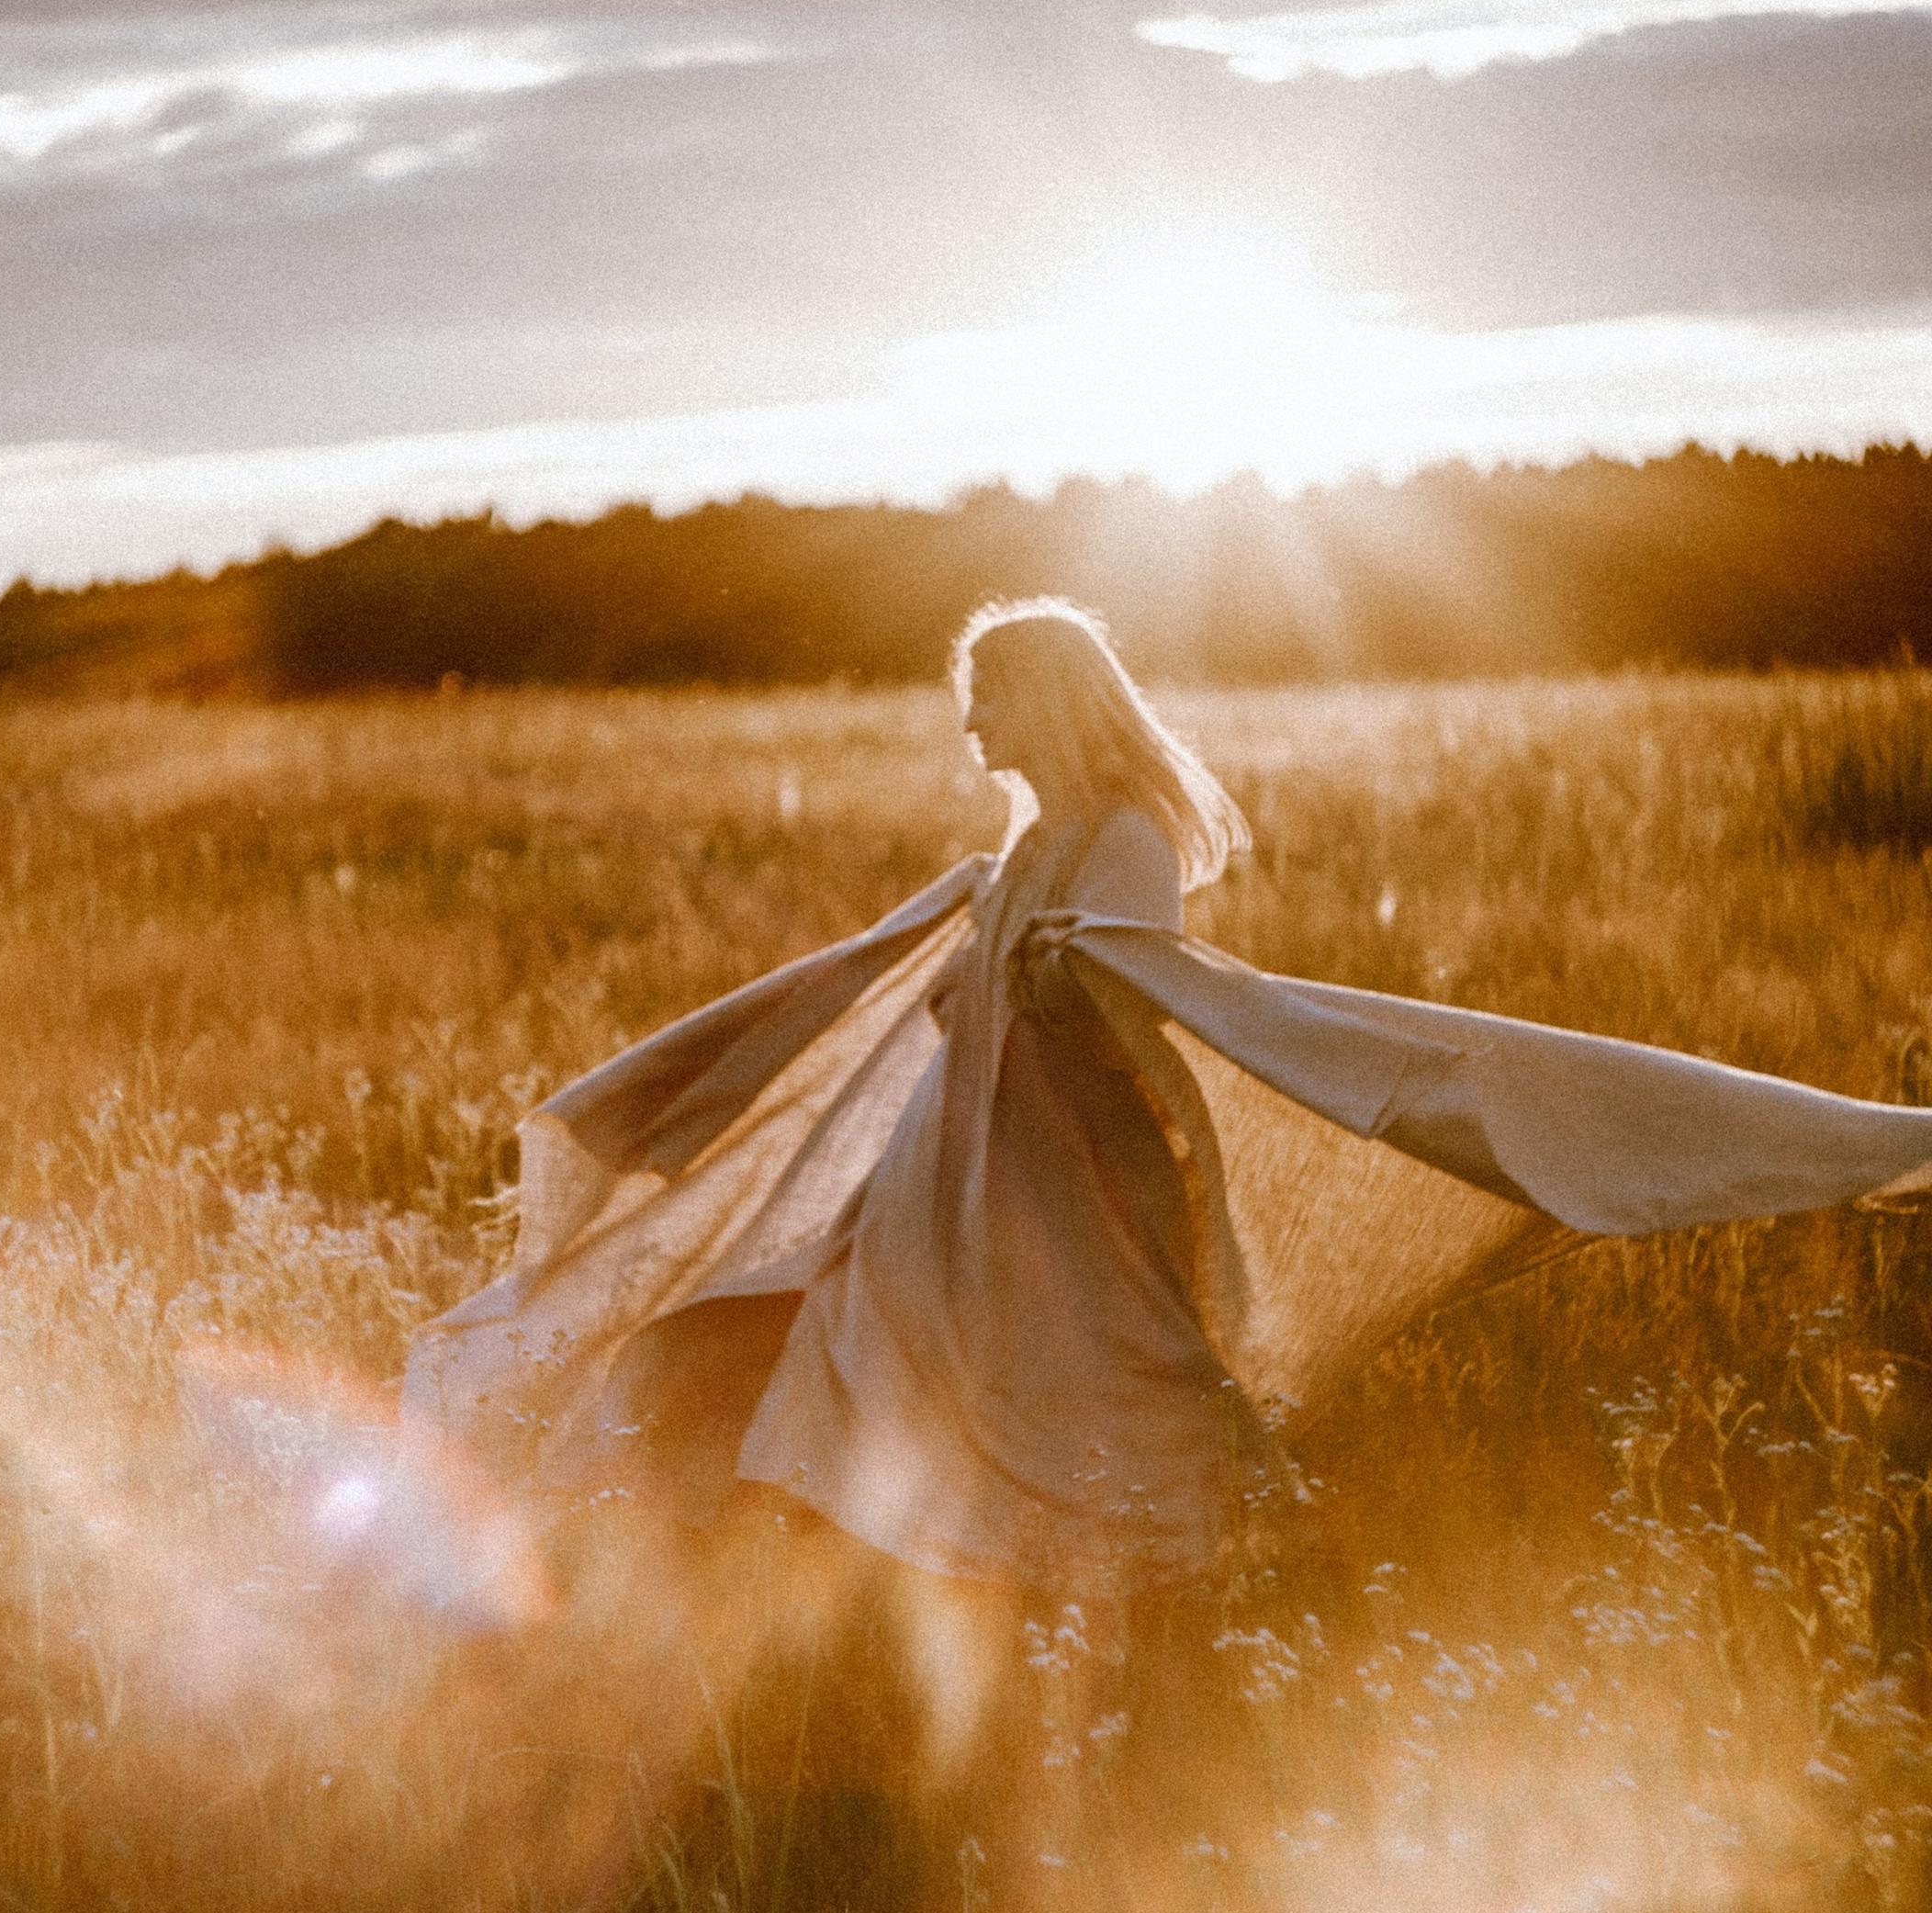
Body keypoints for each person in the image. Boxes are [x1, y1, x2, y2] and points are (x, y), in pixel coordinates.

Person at [403, 601, 1932, 1625]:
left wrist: (1044, 975)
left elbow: (1134, 1001)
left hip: (1067, 1182)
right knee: (875, 1348)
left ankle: (1167, 1581)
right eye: (966, 699)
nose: (971, 724)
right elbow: (992, 996)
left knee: (1097, 1375)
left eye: (989, 698)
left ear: (1052, 701)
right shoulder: (1032, 844)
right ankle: (931, 1568)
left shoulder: (1120, 839)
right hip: (968, 1175)